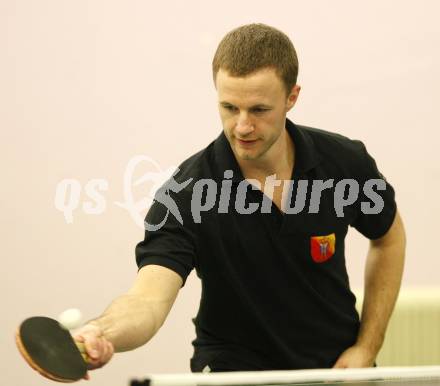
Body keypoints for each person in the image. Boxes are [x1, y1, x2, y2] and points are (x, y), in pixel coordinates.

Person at [74, 23, 406, 375]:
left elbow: (389, 237)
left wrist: (366, 347)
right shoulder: (186, 194)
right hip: (233, 372)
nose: (242, 126)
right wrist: (103, 330)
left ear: (292, 97)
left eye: (259, 110)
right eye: (229, 107)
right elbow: (148, 299)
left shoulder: (343, 162)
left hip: (336, 369)